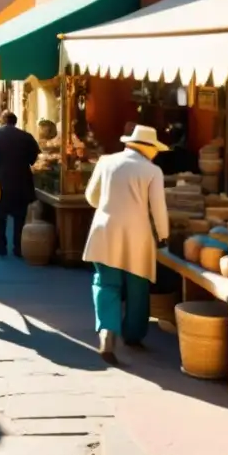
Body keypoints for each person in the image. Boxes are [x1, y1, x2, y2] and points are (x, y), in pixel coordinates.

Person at [82, 124, 170, 363]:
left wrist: (109, 205)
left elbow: (91, 197)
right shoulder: (152, 171)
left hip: (105, 228)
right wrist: (164, 234)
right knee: (137, 285)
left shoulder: (106, 161)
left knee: (106, 283)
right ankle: (133, 334)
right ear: (149, 148)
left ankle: (108, 332)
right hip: (137, 234)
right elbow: (158, 208)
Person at [0, 111, 40, 257]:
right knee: (20, 217)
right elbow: (33, 157)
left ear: (2, 121)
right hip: (22, 181)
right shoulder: (26, 136)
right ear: (15, 122)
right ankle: (18, 247)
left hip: (1, 180)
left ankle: (0, 247)